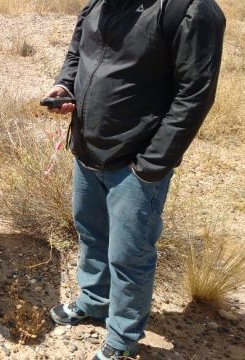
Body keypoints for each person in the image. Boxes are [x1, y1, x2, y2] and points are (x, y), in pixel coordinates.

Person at [44, 0, 225, 359]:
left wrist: (150, 166)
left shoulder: (190, 10)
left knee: (129, 256)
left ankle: (122, 339)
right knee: (92, 234)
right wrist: (65, 87)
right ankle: (95, 302)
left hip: (135, 166)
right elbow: (77, 55)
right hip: (87, 151)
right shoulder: (98, 4)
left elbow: (195, 94)